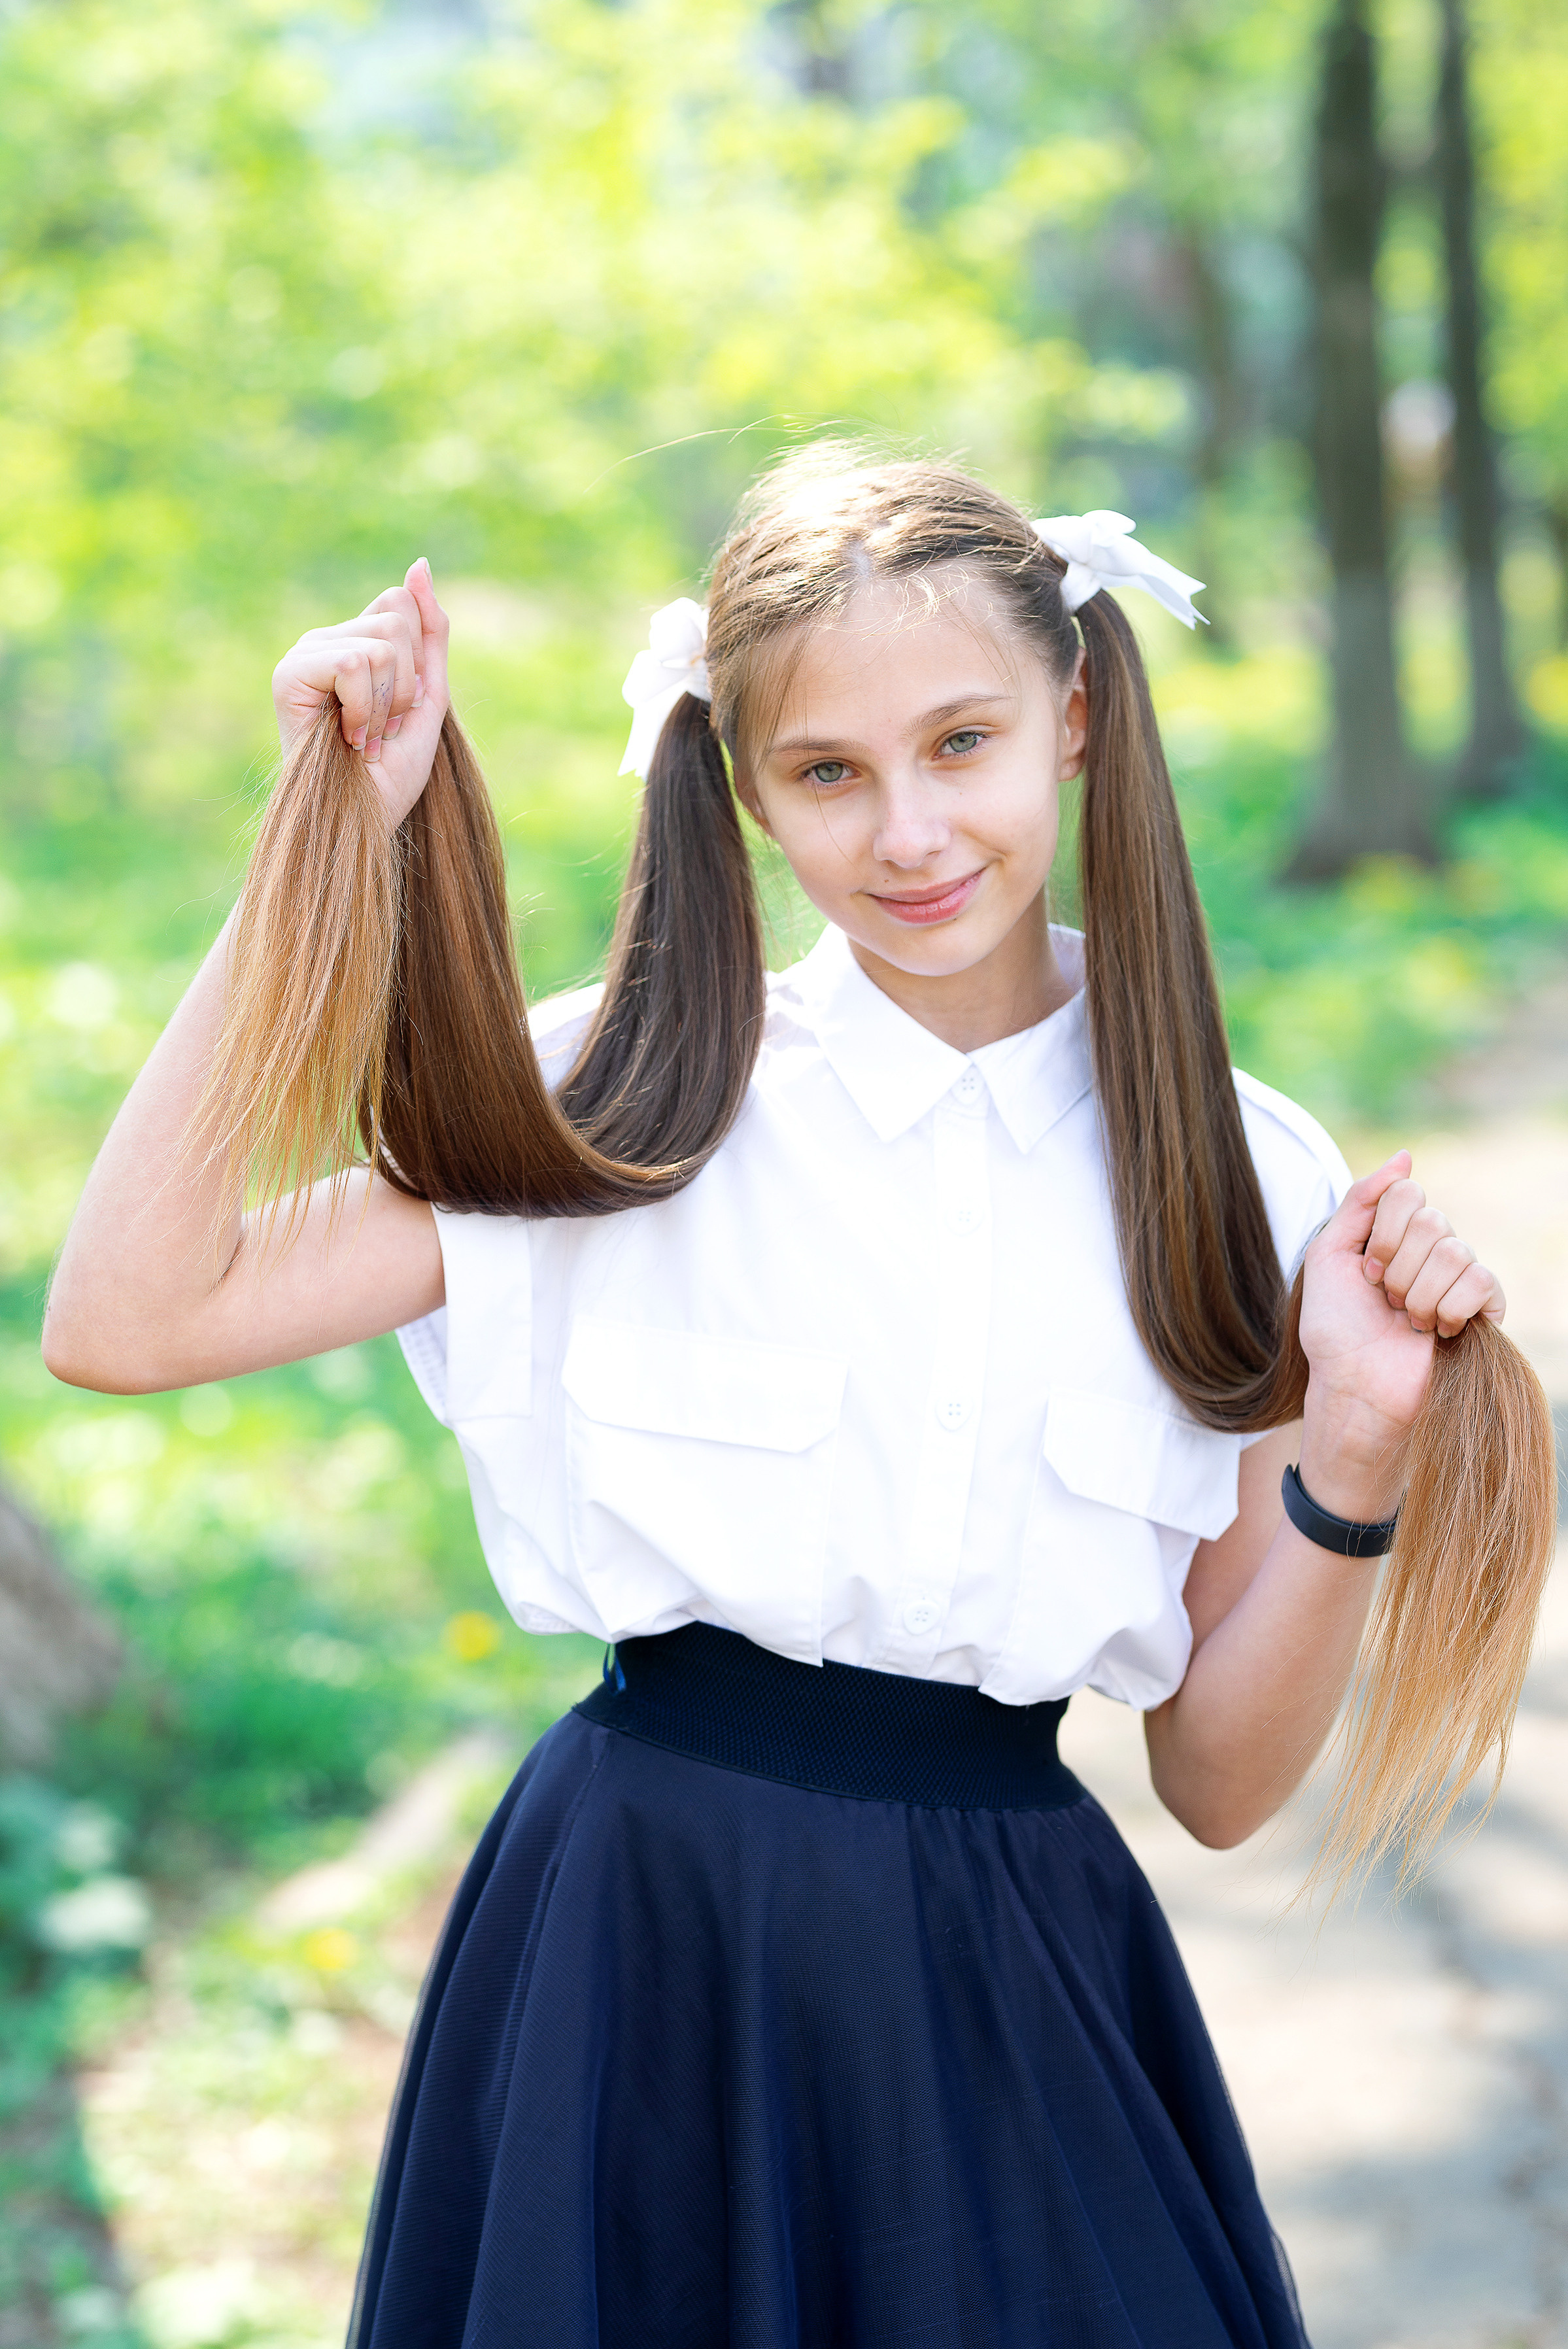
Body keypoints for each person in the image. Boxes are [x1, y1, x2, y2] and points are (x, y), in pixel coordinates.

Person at [43, 452, 1548, 2349]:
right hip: (635, 1964)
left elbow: (1221, 1787)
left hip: (1016, 1977)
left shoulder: (1244, 1179)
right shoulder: (621, 1097)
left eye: (961, 742)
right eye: (829, 771)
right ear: (744, 788)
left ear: (1075, 721)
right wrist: (324, 838)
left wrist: (1358, 1452)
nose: (909, 830)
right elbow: (124, 1315)